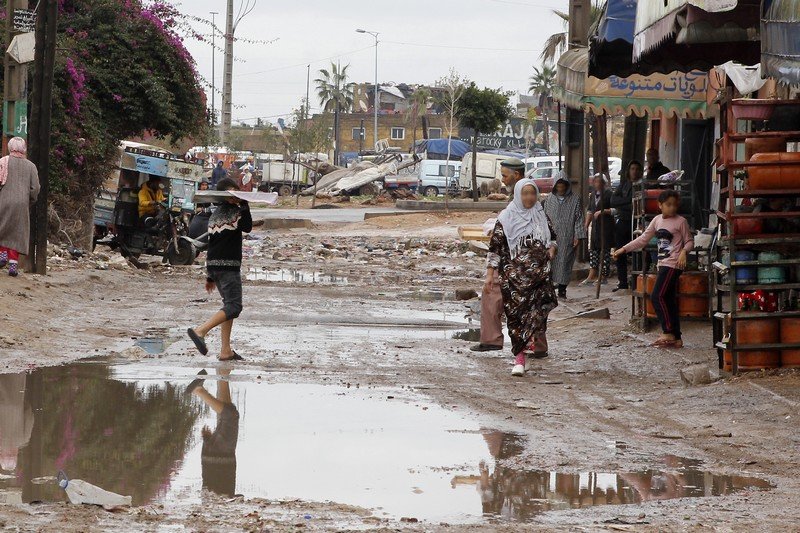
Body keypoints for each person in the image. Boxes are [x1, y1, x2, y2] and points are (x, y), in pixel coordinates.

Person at [487, 178, 557, 377]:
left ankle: (526, 352)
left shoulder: (541, 215)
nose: (529, 197)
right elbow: (495, 249)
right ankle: (519, 358)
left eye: (532, 193)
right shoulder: (506, 217)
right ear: (518, 194)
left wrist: (552, 249)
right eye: (525, 193)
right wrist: (490, 276)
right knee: (517, 318)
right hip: (513, 280)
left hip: (538, 278)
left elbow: (553, 238)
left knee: (534, 317)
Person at [613, 190, 694, 348]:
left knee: (657, 296)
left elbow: (690, 241)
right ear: (660, 205)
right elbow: (643, 239)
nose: (671, 208)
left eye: (674, 205)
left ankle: (668, 331)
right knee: (668, 299)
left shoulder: (681, 221)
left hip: (674, 264)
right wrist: (623, 249)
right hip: (662, 264)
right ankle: (676, 338)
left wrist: (684, 252)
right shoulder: (657, 221)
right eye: (668, 205)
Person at [187, 178, 252, 361]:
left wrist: (209, 276)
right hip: (228, 267)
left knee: (228, 307)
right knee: (234, 307)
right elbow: (247, 227)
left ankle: (226, 350)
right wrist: (245, 205)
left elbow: (211, 244)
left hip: (215, 266)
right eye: (232, 193)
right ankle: (201, 331)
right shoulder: (235, 212)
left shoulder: (215, 215)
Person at [470, 158, 527, 353]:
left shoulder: (519, 202)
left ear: (516, 175)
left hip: (515, 262)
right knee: (529, 301)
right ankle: (534, 345)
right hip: (526, 263)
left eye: (504, 175)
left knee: (494, 293)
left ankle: (492, 339)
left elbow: (501, 240)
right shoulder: (526, 199)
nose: (502, 180)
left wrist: (490, 269)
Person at [187, 368, 239, 497]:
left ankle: (199, 391)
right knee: (226, 411)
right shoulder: (210, 502)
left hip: (222, 458)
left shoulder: (221, 505)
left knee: (231, 416)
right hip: (210, 459)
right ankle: (222, 376)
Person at [0, 137, 40, 277]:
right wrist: (30, 200)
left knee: (2, 228)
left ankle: (2, 254)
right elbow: (35, 188)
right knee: (17, 232)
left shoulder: (3, 162)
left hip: (3, 200)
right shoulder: (31, 166)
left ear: (11, 147)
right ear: (24, 149)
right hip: (22, 203)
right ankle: (13, 265)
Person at [544, 174, 586, 299]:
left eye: (563, 186)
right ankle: (550, 290)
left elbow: (579, 218)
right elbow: (544, 218)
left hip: (568, 236)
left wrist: (577, 235)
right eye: (558, 186)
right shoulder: (550, 199)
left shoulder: (575, 199)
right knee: (551, 263)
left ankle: (562, 290)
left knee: (565, 263)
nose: (560, 189)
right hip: (552, 237)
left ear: (566, 186)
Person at [609, 160, 642, 292]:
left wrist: (628, 205)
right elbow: (613, 201)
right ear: (629, 171)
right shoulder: (624, 185)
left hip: (637, 223)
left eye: (636, 169)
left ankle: (636, 282)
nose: (634, 171)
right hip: (623, 222)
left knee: (637, 253)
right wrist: (629, 201)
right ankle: (622, 282)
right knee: (620, 252)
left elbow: (639, 206)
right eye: (632, 168)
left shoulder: (643, 185)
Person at [582, 174, 614, 285]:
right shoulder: (593, 195)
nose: (597, 184)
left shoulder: (609, 194)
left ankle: (604, 276)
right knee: (594, 250)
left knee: (604, 251)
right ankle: (592, 275)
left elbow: (614, 209)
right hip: (596, 227)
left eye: (599, 182)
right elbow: (590, 211)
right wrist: (586, 225)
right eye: (595, 182)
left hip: (606, 226)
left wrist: (603, 211)